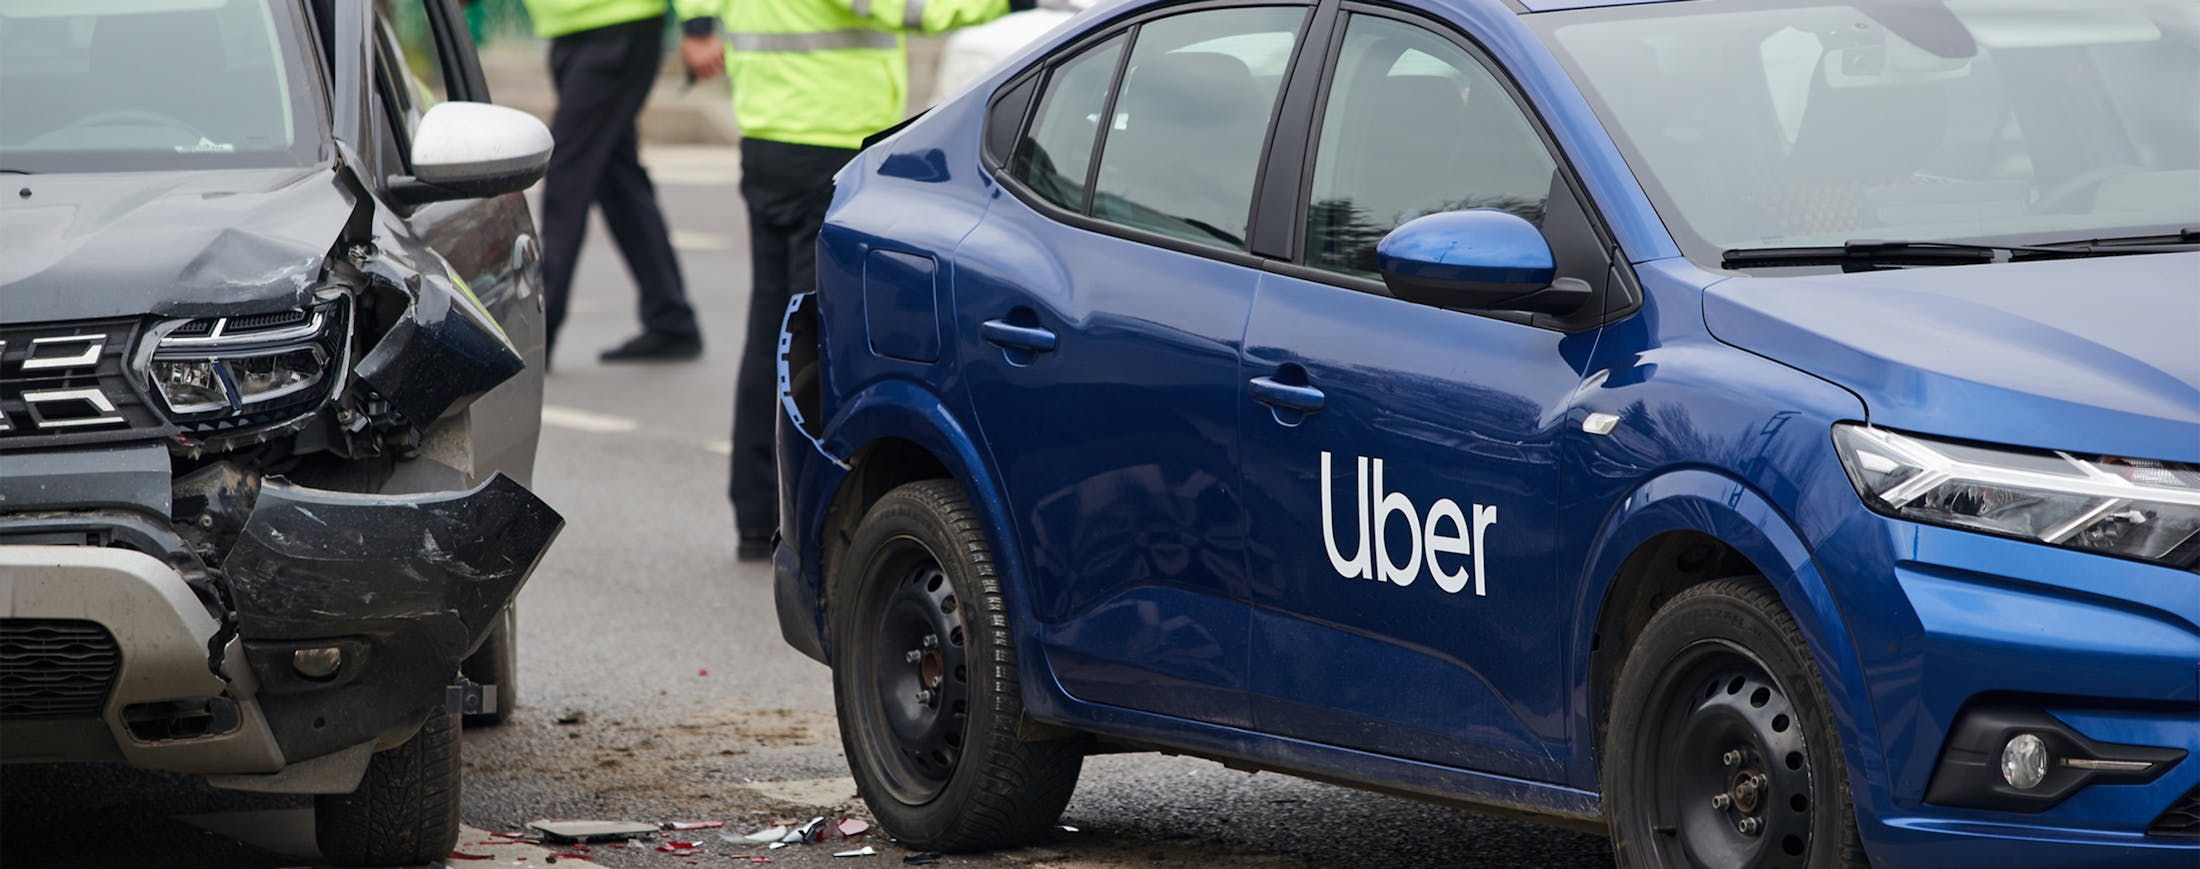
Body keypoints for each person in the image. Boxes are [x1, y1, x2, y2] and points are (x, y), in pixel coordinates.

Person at [675, 0, 1033, 560]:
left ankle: (754, 511)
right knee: (819, 341)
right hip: (830, 141)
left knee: (771, 324)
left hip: (767, 135)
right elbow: (909, 8)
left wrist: (694, 24)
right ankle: (801, 521)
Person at [521, 0, 705, 364]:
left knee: (566, 179)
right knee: (617, 180)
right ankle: (671, 318)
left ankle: (534, 338)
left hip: (619, 29)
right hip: (573, 32)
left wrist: (698, 23)